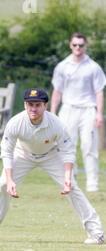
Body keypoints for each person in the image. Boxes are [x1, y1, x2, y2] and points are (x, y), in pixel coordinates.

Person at [0, 88, 104, 245]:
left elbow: (68, 151)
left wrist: (68, 178)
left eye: (37, 105)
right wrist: (9, 180)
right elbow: (7, 152)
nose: (33, 109)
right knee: (2, 186)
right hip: (22, 154)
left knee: (73, 188)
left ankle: (97, 234)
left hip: (51, 154)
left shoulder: (56, 124)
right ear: (25, 105)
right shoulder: (15, 122)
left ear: (45, 106)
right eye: (30, 105)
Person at [50, 32, 106, 192]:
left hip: (87, 109)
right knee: (67, 146)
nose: (78, 48)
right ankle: (70, 179)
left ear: (85, 46)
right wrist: (53, 111)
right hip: (68, 109)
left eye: (81, 45)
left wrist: (99, 113)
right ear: (70, 45)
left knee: (89, 146)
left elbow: (99, 92)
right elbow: (57, 91)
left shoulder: (93, 67)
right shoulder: (62, 66)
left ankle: (92, 183)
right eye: (75, 45)